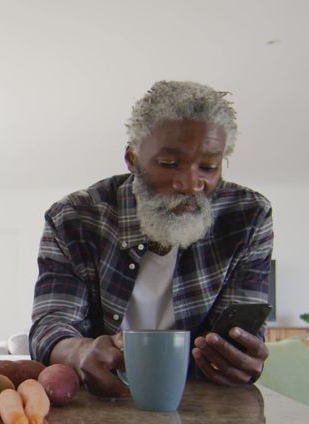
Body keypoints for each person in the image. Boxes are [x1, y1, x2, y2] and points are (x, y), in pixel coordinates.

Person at [29, 80, 273, 398]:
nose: (189, 184)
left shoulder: (247, 216)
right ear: (132, 158)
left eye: (208, 167)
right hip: (100, 401)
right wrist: (78, 352)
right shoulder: (74, 218)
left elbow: (241, 333)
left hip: (198, 401)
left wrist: (241, 357)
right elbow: (51, 323)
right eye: (169, 164)